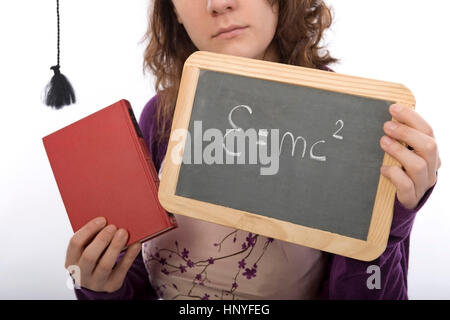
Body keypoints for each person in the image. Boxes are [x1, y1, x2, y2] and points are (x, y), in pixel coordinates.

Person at [66, 0, 440, 300]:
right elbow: (135, 282)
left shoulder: (350, 120)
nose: (218, 4)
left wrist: (386, 229)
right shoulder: (159, 118)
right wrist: (97, 285)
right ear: (173, 12)